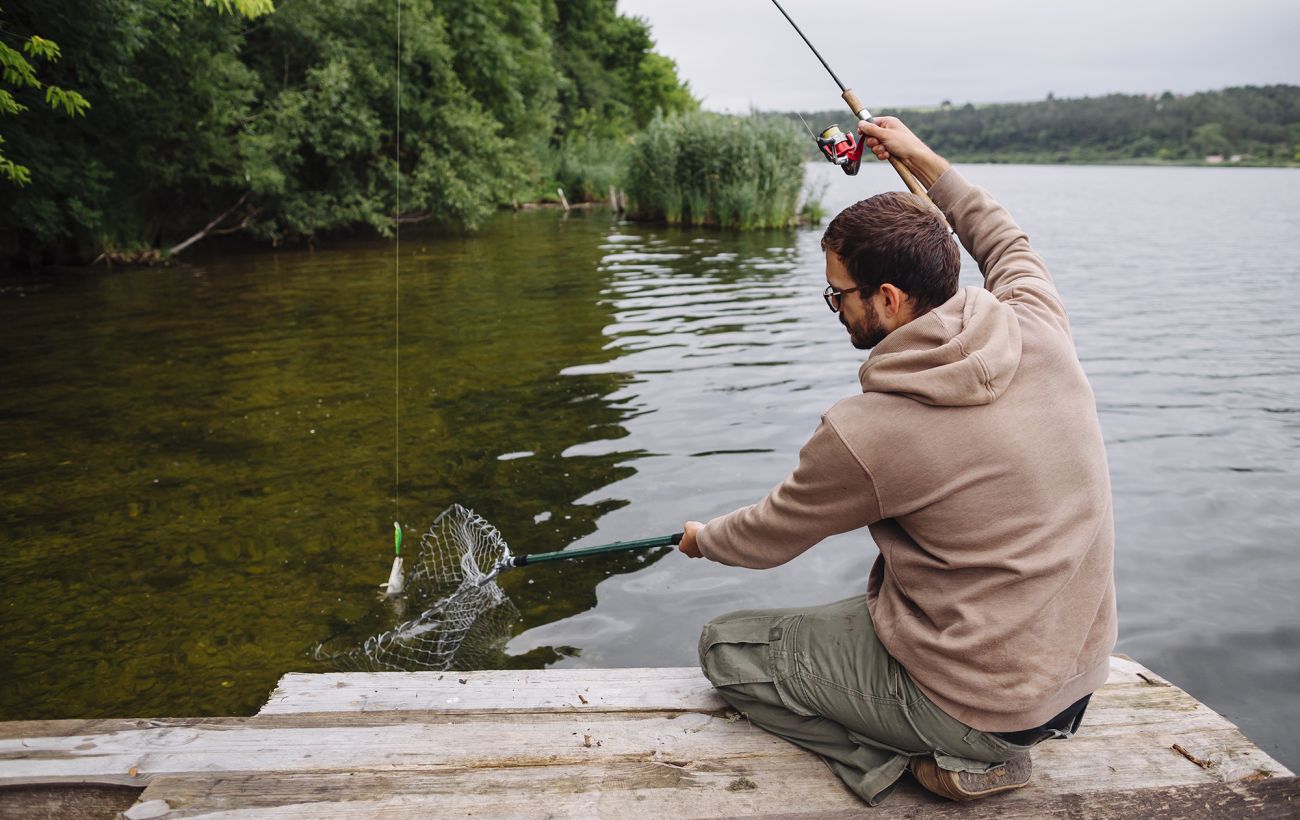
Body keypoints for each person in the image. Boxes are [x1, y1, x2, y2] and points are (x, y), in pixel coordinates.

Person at [678, 117, 1116, 804]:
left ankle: (911, 764)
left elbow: (768, 535)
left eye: (838, 294)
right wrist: (921, 157)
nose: (832, 307)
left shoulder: (869, 432)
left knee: (728, 649)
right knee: (865, 605)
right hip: (1078, 679)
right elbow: (1001, 236)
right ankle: (973, 732)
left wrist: (702, 540)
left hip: (983, 706)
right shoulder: (1038, 322)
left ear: (888, 298)